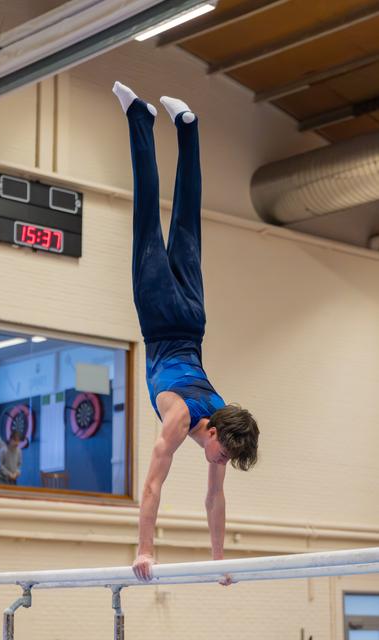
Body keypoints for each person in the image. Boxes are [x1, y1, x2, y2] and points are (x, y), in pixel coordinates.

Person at [112, 82, 260, 585]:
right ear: (214, 434)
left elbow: (215, 498)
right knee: (147, 220)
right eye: (224, 454)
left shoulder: (218, 417)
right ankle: (138, 115)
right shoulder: (179, 420)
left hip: (194, 318)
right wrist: (145, 549)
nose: (221, 463)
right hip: (158, 316)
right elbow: (152, 485)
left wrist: (218, 561)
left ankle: (188, 127)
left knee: (187, 224)